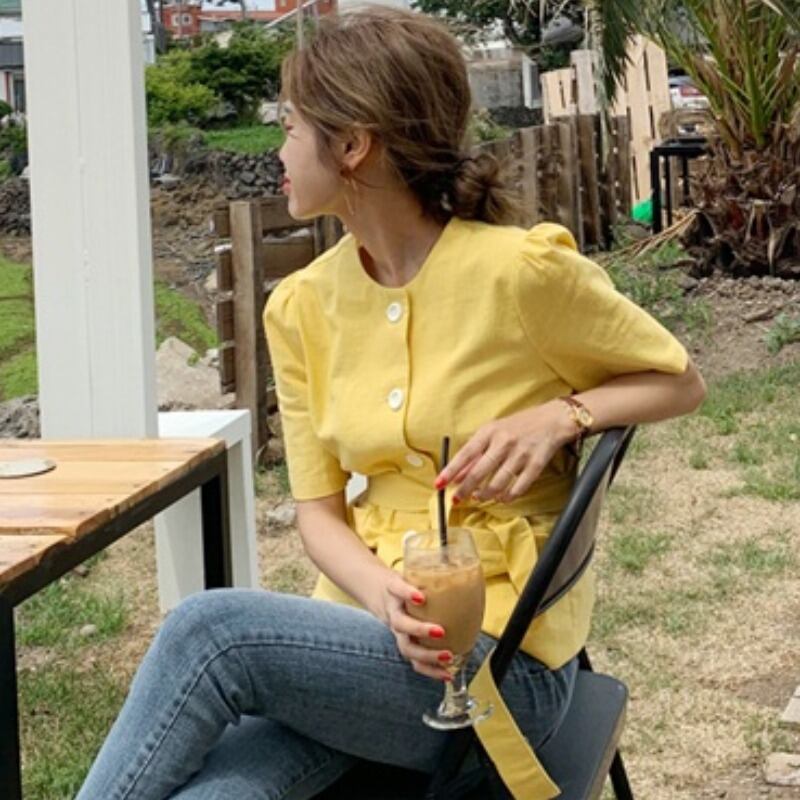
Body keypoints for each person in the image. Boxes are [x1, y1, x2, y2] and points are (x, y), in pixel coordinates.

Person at [77, 6, 706, 800]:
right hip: (363, 641)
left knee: (209, 633)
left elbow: (679, 381)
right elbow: (319, 514)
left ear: (353, 144)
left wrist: (563, 415)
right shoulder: (301, 307)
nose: (278, 151)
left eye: (290, 127)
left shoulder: (520, 273)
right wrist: (384, 600)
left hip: (498, 666)